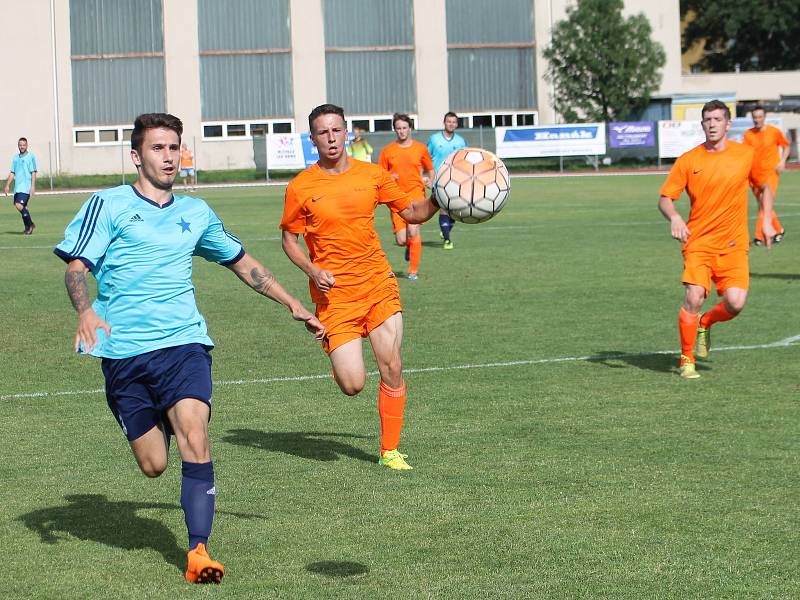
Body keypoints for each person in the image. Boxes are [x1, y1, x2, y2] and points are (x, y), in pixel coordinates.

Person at [54, 113, 325, 584]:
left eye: (174, 147)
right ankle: (159, 416)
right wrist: (84, 311)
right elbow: (77, 267)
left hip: (184, 343)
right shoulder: (108, 204)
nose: (168, 157)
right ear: (136, 156)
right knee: (154, 465)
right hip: (124, 352)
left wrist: (293, 304)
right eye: (158, 148)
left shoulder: (196, 213)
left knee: (196, 435)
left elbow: (242, 263)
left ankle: (199, 550)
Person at [280, 104, 441, 470]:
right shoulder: (301, 187)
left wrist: (438, 200)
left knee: (392, 365)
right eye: (323, 132)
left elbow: (412, 212)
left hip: (377, 283)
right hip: (335, 295)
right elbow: (290, 241)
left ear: (348, 133)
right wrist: (311, 267)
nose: (331, 138)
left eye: (337, 130)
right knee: (352, 384)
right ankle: (334, 342)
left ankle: (389, 451)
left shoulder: (373, 175)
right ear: (313, 139)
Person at [658, 99, 774, 379]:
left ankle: (706, 323)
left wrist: (767, 218)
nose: (712, 125)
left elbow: (764, 185)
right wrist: (674, 216)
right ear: (702, 124)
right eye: (707, 120)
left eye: (717, 120)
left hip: (734, 243)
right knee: (694, 296)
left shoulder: (745, 155)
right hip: (698, 243)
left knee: (735, 303)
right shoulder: (689, 159)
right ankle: (687, 359)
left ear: (728, 124)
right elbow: (665, 199)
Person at [378, 113, 435, 280]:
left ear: (410, 128)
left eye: (404, 128)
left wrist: (430, 181)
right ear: (394, 130)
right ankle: (409, 247)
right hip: (396, 198)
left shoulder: (420, 148)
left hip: (416, 194)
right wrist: (389, 176)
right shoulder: (388, 151)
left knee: (413, 229)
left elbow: (430, 169)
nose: (401, 131)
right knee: (402, 239)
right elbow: (379, 174)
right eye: (398, 128)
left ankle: (413, 272)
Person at [742, 105, 789, 246]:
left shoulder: (774, 132)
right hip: (754, 175)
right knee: (763, 205)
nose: (757, 120)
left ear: (764, 117)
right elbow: (745, 153)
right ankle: (779, 230)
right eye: (755, 117)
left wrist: (782, 161)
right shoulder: (748, 134)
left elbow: (786, 146)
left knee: (764, 204)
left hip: (770, 173)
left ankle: (758, 237)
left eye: (760, 117)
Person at [427, 112, 467, 249]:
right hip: (439, 180)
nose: (451, 124)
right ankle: (447, 240)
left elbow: (465, 161)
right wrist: (427, 178)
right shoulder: (434, 139)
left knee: (455, 210)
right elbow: (425, 158)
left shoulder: (461, 141)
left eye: (454, 122)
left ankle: (445, 230)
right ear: (444, 122)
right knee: (444, 208)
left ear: (457, 124)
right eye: (449, 121)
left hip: (457, 180)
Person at [4, 137, 38, 234]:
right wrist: (7, 185)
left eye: (23, 145)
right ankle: (28, 228)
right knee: (24, 207)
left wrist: (33, 186)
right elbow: (12, 172)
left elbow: (33, 172)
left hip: (26, 187)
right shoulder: (15, 158)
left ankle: (30, 224)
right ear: (18, 146)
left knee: (18, 205)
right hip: (17, 188)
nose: (22, 147)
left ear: (27, 145)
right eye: (20, 145)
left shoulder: (30, 157)